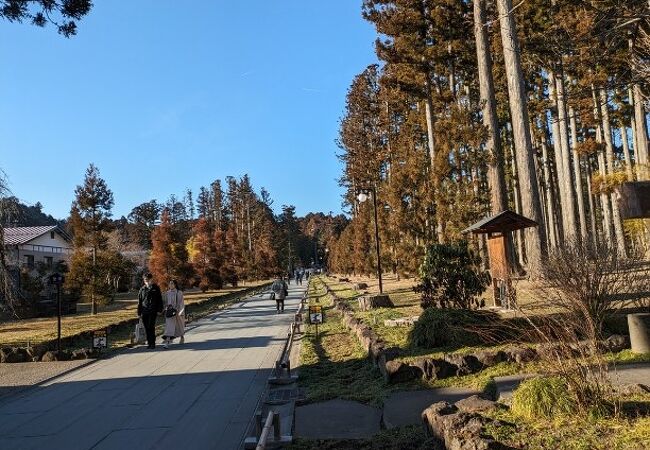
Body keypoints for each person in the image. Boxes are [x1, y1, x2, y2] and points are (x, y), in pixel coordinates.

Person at [137, 273, 163, 349]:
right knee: (146, 327)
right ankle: (149, 342)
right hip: (145, 311)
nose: (147, 281)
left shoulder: (156, 288)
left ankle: (153, 343)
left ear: (151, 279)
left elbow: (159, 300)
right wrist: (139, 312)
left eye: (148, 279)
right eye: (145, 280)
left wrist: (159, 309)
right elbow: (140, 302)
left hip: (153, 310)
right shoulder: (142, 289)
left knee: (151, 326)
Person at [162, 280, 185, 348]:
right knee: (169, 328)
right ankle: (168, 342)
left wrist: (181, 311)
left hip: (177, 312)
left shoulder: (179, 292)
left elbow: (181, 303)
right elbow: (165, 302)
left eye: (172, 284)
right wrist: (165, 308)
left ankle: (182, 337)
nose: (170, 285)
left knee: (179, 327)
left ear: (175, 284)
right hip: (170, 313)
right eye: (169, 284)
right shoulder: (167, 293)